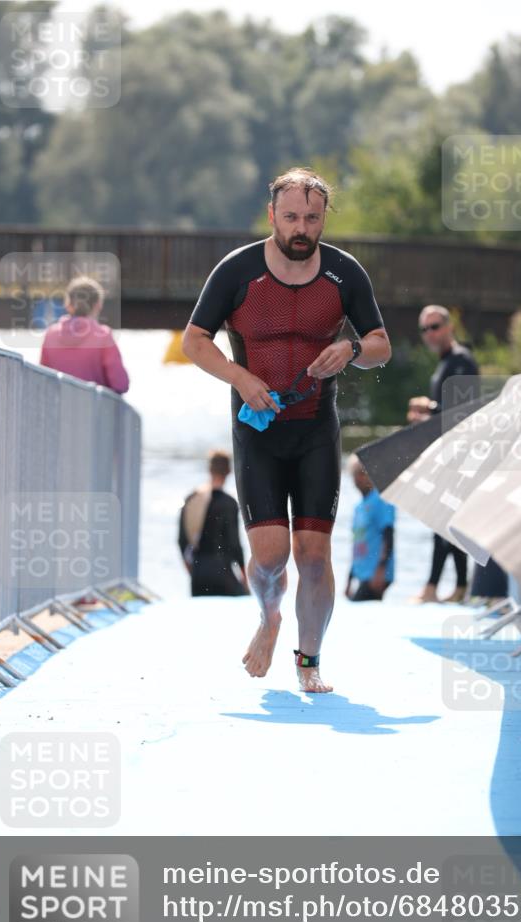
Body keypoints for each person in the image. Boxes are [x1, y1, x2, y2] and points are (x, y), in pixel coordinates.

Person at [182, 167, 392, 692]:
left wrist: (352, 348)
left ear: (324, 219)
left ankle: (309, 662)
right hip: (258, 433)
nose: (302, 228)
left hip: (316, 429)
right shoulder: (238, 271)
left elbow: (381, 345)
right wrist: (239, 377)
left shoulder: (344, 273)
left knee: (314, 559)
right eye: (292, 217)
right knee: (270, 557)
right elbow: (194, 340)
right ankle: (269, 615)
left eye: (312, 219)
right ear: (272, 215)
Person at [407, 304, 479, 604]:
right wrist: (429, 412)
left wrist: (429, 412)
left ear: (450, 327)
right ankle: (460, 586)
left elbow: (464, 411)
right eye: (424, 329)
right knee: (449, 519)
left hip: (461, 455)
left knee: (442, 518)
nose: (430, 334)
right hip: (447, 453)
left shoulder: (461, 360)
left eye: (435, 326)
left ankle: (432, 587)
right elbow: (447, 411)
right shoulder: (446, 363)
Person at [40, 276, 129, 394]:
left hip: (58, 403)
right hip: (93, 404)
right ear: (98, 305)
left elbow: (43, 377)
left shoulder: (50, 335)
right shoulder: (103, 336)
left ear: (68, 304)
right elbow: (120, 384)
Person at [178, 450, 248, 597]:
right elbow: (235, 545)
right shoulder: (229, 503)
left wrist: (193, 572)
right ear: (228, 471)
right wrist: (245, 580)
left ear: (209, 470)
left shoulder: (191, 499)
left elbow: (182, 542)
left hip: (198, 574)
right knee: (244, 598)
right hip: (223, 572)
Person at [345, 455, 395, 602]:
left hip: (376, 573)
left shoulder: (381, 500)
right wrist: (350, 579)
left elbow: (388, 535)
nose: (360, 478)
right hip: (362, 572)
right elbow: (357, 543)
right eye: (356, 474)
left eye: (364, 473)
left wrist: (381, 569)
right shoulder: (359, 507)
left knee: (358, 606)